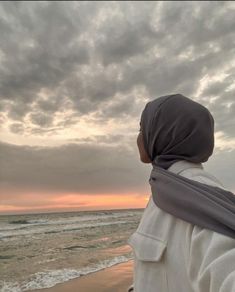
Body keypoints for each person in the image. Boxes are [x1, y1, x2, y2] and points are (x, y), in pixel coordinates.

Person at [127, 94, 235, 292]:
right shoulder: (168, 190)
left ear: (161, 133)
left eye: (142, 128)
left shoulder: (199, 200)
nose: (138, 137)